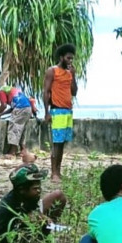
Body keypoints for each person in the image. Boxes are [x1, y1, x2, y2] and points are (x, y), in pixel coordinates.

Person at [0, 164, 67, 243]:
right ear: (22, 190)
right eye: (35, 188)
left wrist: (42, 217)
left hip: (29, 225)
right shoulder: (6, 209)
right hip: (16, 239)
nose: (39, 191)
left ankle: (44, 239)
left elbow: (33, 209)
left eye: (39, 187)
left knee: (58, 196)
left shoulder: (30, 197)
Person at [43, 43, 78, 182]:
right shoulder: (52, 71)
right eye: (68, 58)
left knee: (62, 143)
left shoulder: (70, 73)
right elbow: (46, 92)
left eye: (72, 59)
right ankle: (54, 173)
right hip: (57, 110)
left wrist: (73, 76)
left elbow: (74, 92)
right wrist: (47, 112)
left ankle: (58, 170)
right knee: (56, 143)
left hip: (68, 111)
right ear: (62, 57)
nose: (70, 61)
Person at [0, 85, 36, 162]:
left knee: (13, 128)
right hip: (27, 108)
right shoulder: (9, 90)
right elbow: (12, 108)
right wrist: (1, 114)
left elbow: (4, 106)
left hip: (20, 107)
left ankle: (12, 152)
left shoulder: (1, 91)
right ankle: (23, 150)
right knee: (21, 129)